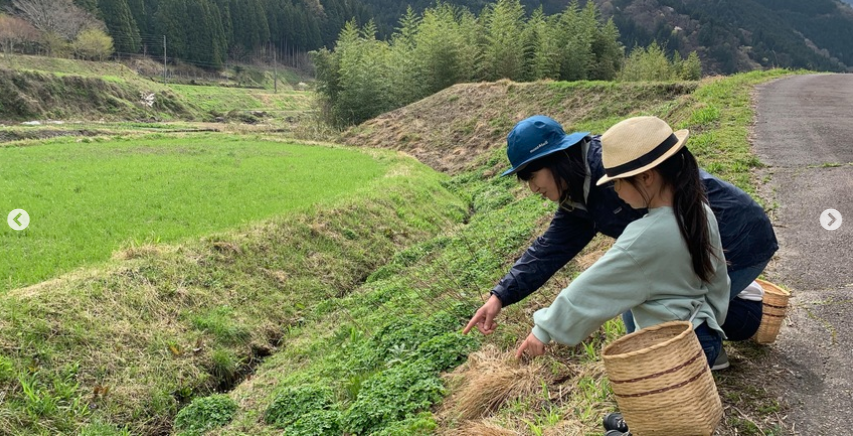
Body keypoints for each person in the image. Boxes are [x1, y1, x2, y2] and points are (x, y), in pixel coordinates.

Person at [462, 115, 778, 370]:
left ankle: (716, 339)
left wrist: (545, 329)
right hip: (703, 251)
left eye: (532, 177)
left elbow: (600, 282)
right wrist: (499, 296)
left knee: (641, 311)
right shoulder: (580, 194)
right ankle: (727, 326)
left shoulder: (619, 167)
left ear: (554, 159)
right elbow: (549, 250)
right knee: (655, 300)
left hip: (740, 241)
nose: (532, 189)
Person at [508, 115, 730, 368]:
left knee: (635, 399)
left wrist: (543, 330)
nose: (615, 191)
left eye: (616, 182)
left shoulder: (643, 236)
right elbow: (718, 278)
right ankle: (713, 358)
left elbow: (591, 288)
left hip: (673, 348)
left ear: (646, 178)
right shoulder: (698, 210)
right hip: (706, 331)